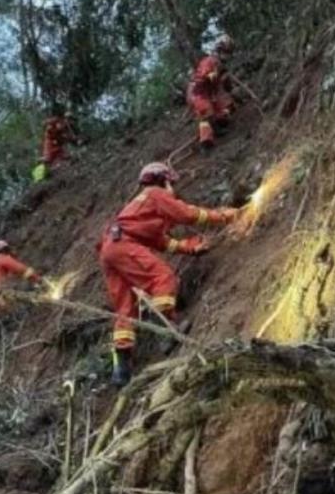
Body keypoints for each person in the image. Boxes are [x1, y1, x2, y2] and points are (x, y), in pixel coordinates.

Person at [98, 162, 239, 385]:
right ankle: (165, 331)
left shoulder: (141, 209)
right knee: (163, 278)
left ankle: (121, 368)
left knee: (125, 308)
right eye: (171, 183)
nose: (173, 188)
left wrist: (190, 247)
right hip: (123, 245)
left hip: (110, 249)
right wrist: (222, 216)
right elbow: (187, 214)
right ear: (163, 181)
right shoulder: (155, 194)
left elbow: (161, 242)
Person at [187, 35, 235, 148]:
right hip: (197, 93)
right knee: (206, 112)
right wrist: (213, 74)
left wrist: (226, 82)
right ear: (219, 50)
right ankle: (206, 142)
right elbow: (203, 77)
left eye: (228, 53)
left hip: (208, 93)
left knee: (223, 107)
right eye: (225, 52)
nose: (227, 56)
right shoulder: (209, 61)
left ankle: (219, 123)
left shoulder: (220, 65)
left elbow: (222, 86)